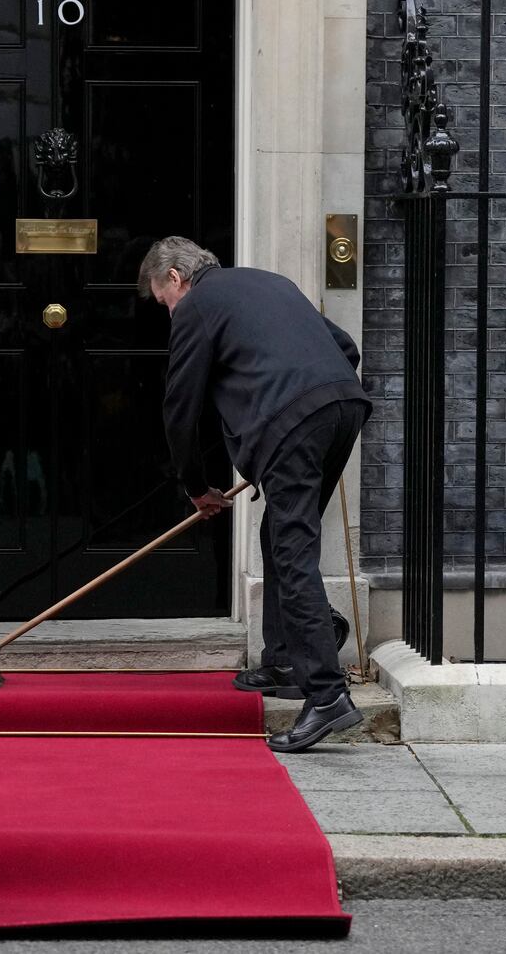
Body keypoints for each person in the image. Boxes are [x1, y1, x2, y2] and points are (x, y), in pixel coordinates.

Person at [138, 236, 373, 753]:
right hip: (344, 406)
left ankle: (327, 695)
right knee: (282, 533)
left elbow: (180, 408)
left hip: (292, 425)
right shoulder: (270, 282)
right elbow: (346, 348)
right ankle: (285, 656)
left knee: (292, 552)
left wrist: (197, 487)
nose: (169, 312)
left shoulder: (196, 304)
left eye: (162, 301)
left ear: (175, 278)